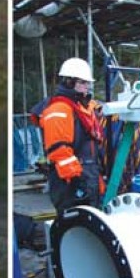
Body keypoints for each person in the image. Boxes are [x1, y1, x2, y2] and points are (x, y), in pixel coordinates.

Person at [30, 58, 105, 214]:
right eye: (83, 82)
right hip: (71, 182)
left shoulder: (78, 107)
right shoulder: (59, 109)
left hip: (87, 175)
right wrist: (77, 182)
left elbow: (90, 113)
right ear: (70, 82)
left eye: (87, 83)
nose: (87, 87)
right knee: (75, 222)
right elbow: (59, 150)